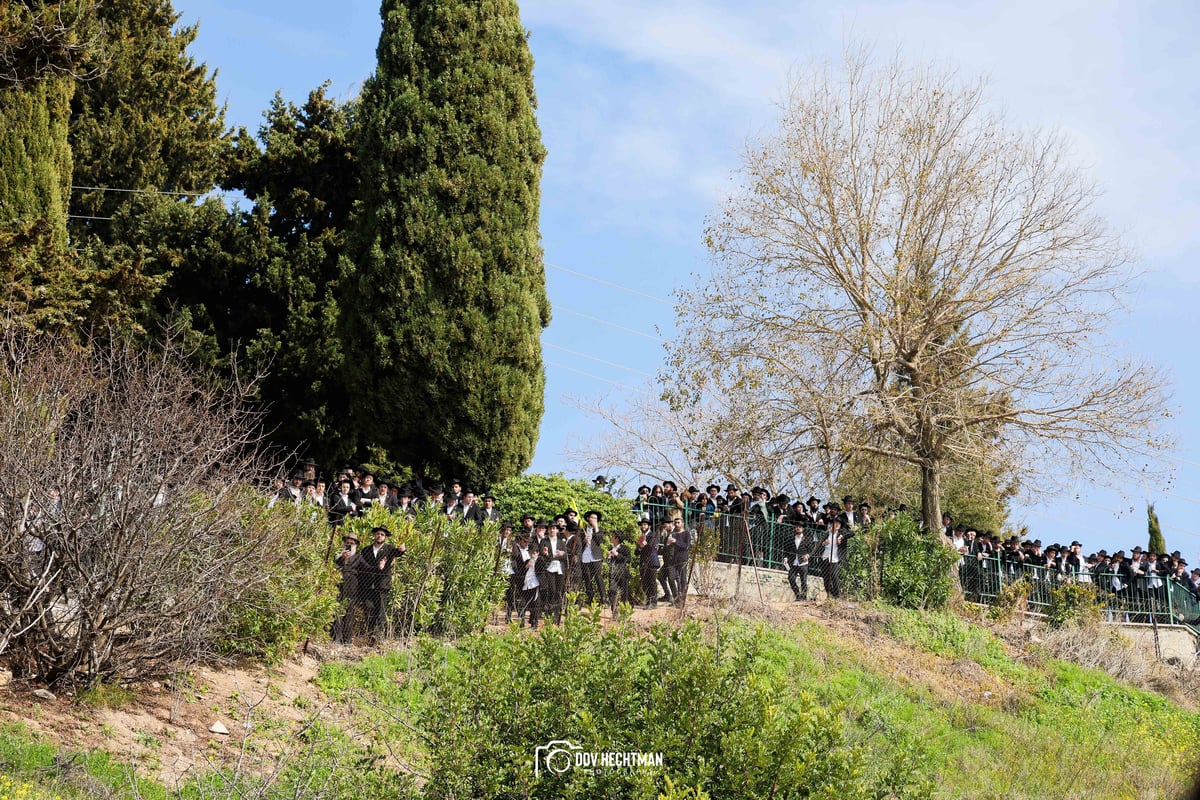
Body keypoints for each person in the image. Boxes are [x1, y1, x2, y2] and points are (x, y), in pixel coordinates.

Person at [352, 525, 405, 640]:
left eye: (382, 534)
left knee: (381, 610)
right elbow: (362, 565)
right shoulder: (366, 550)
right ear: (374, 535)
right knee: (369, 608)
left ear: (385, 537)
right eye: (378, 534)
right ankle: (370, 633)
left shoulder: (389, 549)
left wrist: (402, 550)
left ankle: (379, 636)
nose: (379, 536)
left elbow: (398, 553)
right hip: (367, 584)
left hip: (382, 584)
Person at [331, 531, 362, 644]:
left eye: (352, 543)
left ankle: (347, 640)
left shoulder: (359, 557)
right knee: (337, 611)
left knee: (349, 613)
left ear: (356, 545)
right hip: (339, 587)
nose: (349, 545)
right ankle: (336, 638)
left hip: (352, 588)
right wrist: (343, 559)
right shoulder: (338, 556)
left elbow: (368, 568)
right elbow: (335, 566)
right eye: (347, 543)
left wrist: (382, 566)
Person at [819, 517, 853, 599]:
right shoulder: (826, 533)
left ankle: (837, 596)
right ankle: (830, 594)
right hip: (825, 558)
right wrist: (824, 543)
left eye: (839, 523)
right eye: (835, 523)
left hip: (835, 559)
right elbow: (818, 546)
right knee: (826, 578)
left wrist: (841, 537)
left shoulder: (840, 533)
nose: (837, 524)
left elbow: (852, 533)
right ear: (831, 524)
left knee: (835, 577)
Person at [513, 530, 540, 628]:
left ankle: (534, 623)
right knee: (522, 603)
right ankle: (521, 623)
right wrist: (526, 566)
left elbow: (543, 567)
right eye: (531, 553)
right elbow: (520, 568)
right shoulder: (525, 559)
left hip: (535, 584)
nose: (533, 554)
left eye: (535, 553)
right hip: (525, 584)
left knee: (534, 604)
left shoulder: (539, 560)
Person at [579, 510, 606, 605]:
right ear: (588, 518)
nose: (594, 520)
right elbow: (578, 544)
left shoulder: (600, 529)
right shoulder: (582, 530)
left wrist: (596, 528)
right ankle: (590, 600)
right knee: (587, 579)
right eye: (592, 518)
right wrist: (584, 540)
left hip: (596, 557)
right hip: (585, 557)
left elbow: (599, 540)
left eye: (595, 518)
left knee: (598, 577)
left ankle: (604, 600)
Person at [636, 519, 661, 609]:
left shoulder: (652, 535)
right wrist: (640, 547)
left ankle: (653, 603)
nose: (643, 526)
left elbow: (651, 547)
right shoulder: (641, 537)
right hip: (643, 563)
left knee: (652, 582)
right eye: (642, 525)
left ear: (648, 526)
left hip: (651, 562)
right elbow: (636, 551)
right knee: (645, 583)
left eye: (645, 525)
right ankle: (649, 600)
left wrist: (644, 546)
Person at [784, 523, 812, 601]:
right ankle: (798, 594)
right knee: (791, 578)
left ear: (803, 529)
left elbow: (811, 550)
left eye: (799, 527)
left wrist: (808, 555)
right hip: (793, 563)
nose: (797, 528)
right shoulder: (791, 539)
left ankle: (803, 597)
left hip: (803, 563)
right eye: (796, 527)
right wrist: (786, 558)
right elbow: (787, 549)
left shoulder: (807, 539)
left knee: (803, 581)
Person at [607, 532, 632, 613]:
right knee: (612, 591)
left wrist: (617, 554)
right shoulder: (610, 548)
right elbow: (609, 562)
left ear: (617, 538)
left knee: (624, 593)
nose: (611, 537)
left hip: (622, 574)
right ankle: (614, 611)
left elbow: (628, 560)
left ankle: (624, 611)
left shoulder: (625, 548)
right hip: (613, 574)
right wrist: (608, 557)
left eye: (613, 536)